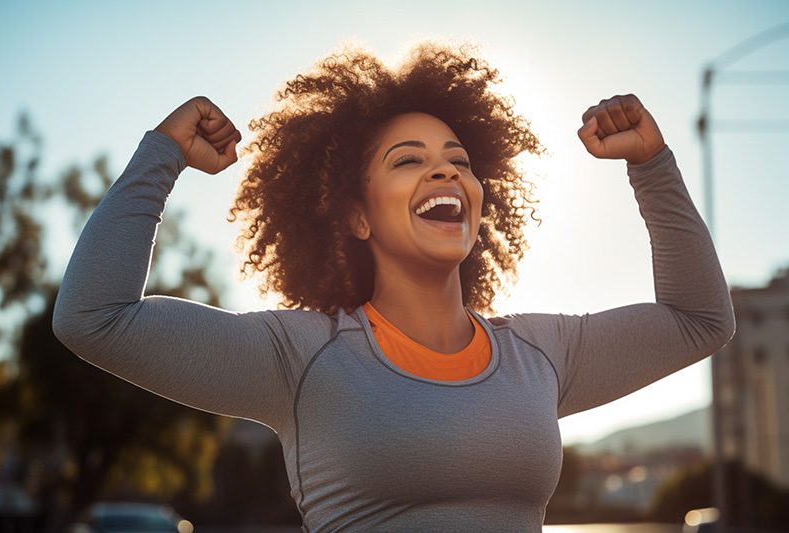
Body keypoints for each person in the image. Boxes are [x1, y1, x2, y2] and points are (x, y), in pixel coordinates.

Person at [53, 41, 735, 532]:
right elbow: (93, 316)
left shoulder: (541, 351)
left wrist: (652, 165)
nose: (445, 174)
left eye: (459, 163)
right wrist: (163, 153)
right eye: (409, 161)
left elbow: (701, 318)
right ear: (355, 213)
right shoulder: (299, 356)